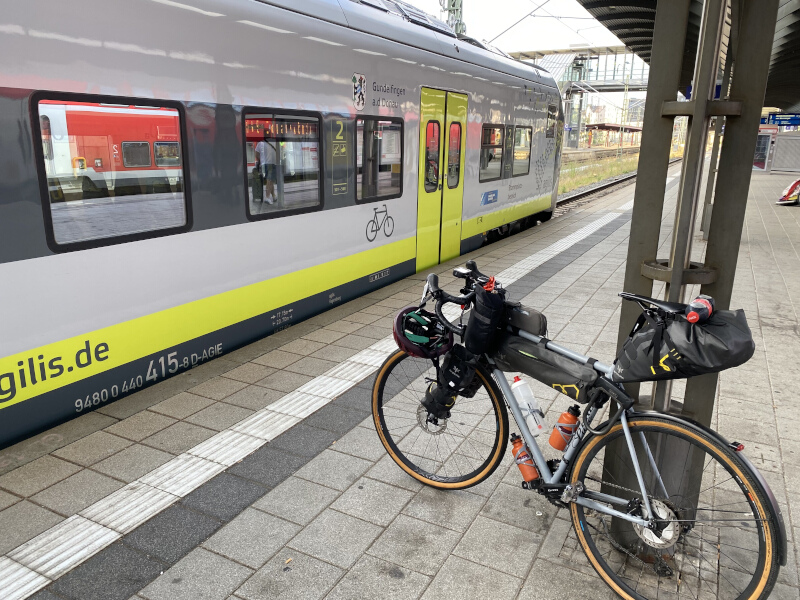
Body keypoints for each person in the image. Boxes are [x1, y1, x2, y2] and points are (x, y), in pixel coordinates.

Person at [255, 137, 278, 205]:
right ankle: (267, 197)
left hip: (263, 164)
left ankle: (273, 196)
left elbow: (256, 154)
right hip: (272, 163)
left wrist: (262, 159)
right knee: (270, 180)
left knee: (270, 180)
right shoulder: (274, 142)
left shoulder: (260, 143)